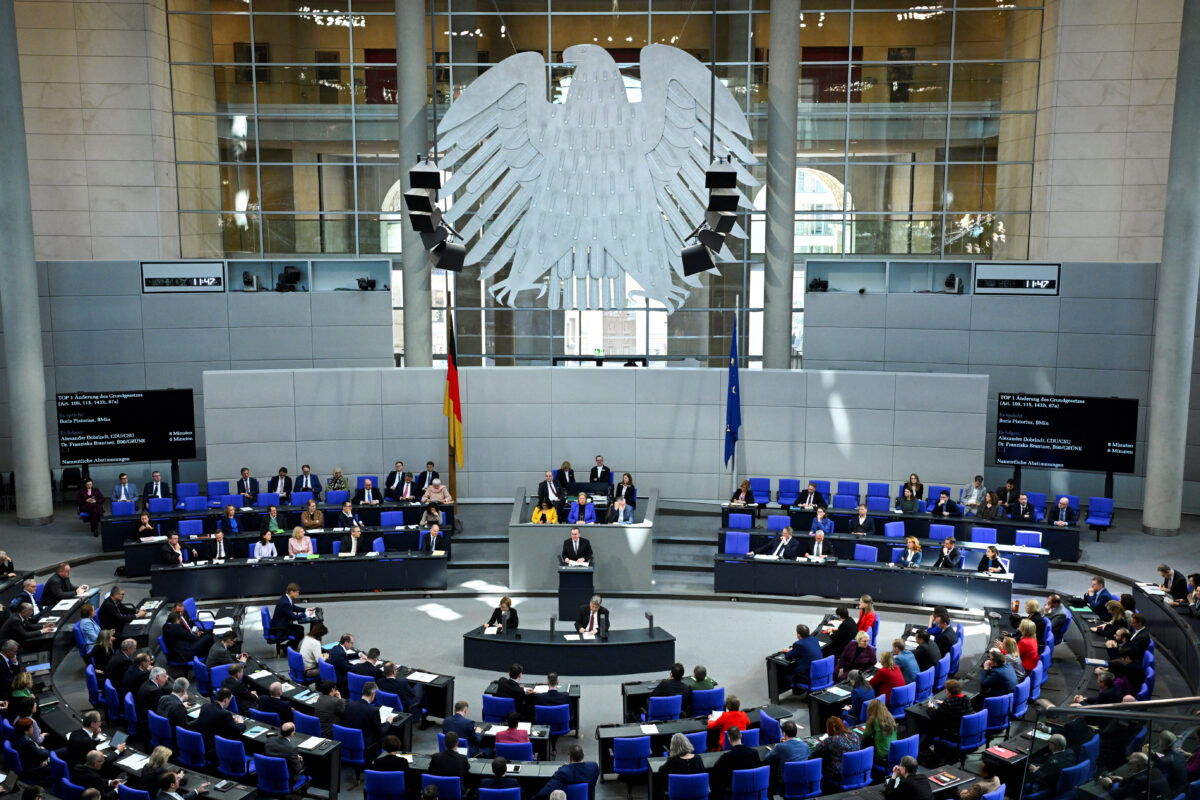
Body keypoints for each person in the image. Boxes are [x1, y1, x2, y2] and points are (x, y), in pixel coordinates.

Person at [533, 745, 600, 800]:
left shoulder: (563, 773)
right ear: (583, 755)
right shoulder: (594, 767)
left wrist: (565, 768)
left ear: (569, 758)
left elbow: (547, 792)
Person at [1098, 751, 1171, 800]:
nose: (1129, 766)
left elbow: (1119, 795)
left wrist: (1109, 785)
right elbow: (1139, 784)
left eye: (1130, 764)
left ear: (1137, 766)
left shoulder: (1138, 779)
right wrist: (1124, 780)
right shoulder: (1156, 770)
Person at [711, 727, 761, 797]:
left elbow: (715, 772)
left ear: (729, 739)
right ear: (741, 735)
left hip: (735, 793)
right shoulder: (754, 753)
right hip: (753, 791)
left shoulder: (726, 757)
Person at [813, 717, 862, 781]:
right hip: (856, 768)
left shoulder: (832, 740)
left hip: (839, 773)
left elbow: (817, 749)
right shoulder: (854, 734)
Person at [271, 583, 310, 651]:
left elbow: (293, 607)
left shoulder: (287, 598)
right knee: (300, 634)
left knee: (301, 628)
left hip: (282, 623)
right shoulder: (285, 603)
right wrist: (306, 614)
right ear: (291, 592)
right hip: (280, 627)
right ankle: (287, 649)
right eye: (297, 592)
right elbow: (293, 617)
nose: (298, 594)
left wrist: (306, 610)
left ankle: (287, 647)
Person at [12, 718, 50, 783]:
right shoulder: (26, 744)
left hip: (31, 760)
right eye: (31, 727)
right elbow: (44, 754)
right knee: (55, 765)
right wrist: (43, 749)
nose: (33, 728)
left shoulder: (18, 738)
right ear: (25, 730)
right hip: (33, 768)